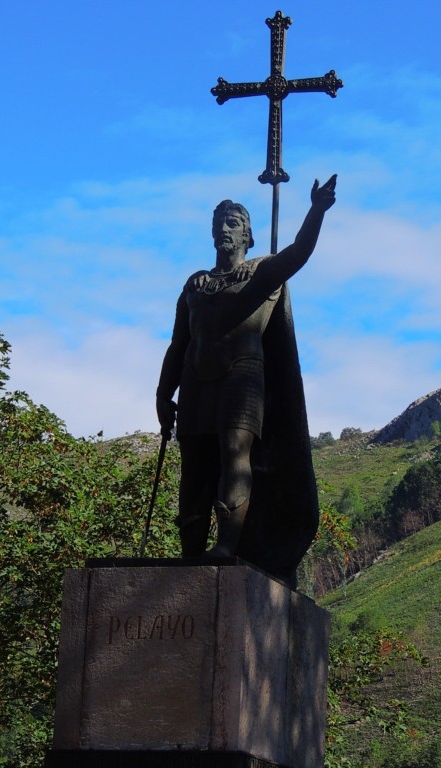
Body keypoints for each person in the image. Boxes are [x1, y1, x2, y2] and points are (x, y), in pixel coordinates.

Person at [156, 175, 337, 583]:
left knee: (234, 456)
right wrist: (163, 393)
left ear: (248, 235)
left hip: (243, 376)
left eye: (233, 221)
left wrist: (316, 211)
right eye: (219, 220)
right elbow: (177, 344)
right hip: (196, 379)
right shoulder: (195, 285)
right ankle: (190, 552)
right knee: (195, 467)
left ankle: (227, 545)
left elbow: (299, 253)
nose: (224, 227)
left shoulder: (262, 272)